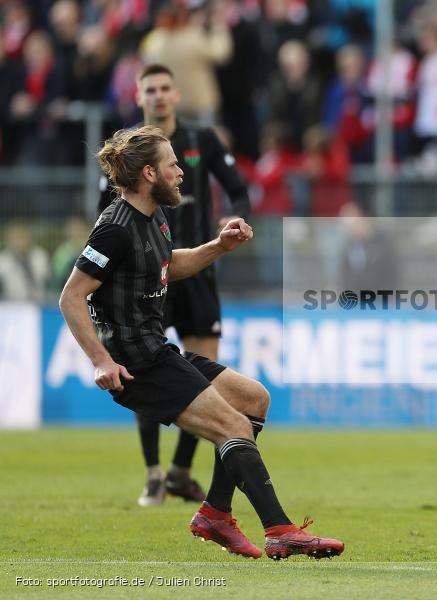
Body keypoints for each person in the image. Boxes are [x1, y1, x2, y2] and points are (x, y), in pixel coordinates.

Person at [60, 125, 344, 560]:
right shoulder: (114, 229)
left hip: (157, 349)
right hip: (136, 362)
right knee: (233, 427)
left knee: (253, 399)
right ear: (150, 173)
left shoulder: (154, 216)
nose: (182, 172)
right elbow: (71, 296)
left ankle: (214, 513)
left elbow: (167, 266)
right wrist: (101, 361)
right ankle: (280, 530)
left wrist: (218, 246)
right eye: (174, 164)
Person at [100, 63, 251, 507]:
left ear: (177, 95)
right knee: (146, 364)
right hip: (146, 274)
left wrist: (232, 217)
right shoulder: (130, 152)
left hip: (196, 267)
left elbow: (239, 189)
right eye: (152, 89)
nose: (160, 96)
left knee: (206, 369)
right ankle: (152, 473)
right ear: (139, 95)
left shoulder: (201, 140)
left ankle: (180, 472)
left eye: (167, 88)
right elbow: (104, 207)